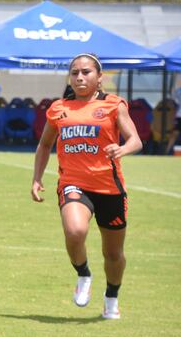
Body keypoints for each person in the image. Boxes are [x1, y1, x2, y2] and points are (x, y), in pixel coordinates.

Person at [31, 53, 142, 319]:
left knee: (113, 253)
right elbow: (45, 144)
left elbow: (136, 140)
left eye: (86, 72)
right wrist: (37, 178)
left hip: (110, 189)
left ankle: (111, 298)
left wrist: (122, 148)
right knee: (75, 231)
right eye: (74, 73)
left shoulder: (114, 105)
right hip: (73, 183)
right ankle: (83, 274)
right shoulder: (58, 108)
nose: (80, 77)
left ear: (99, 77)